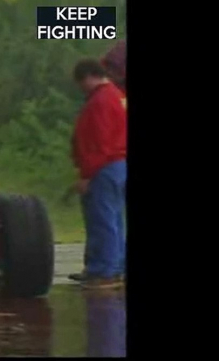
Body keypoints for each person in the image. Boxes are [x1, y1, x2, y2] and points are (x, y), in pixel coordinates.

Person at [69, 59, 127, 290]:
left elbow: (100, 141)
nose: (81, 87)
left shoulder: (101, 100)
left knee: (102, 219)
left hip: (104, 166)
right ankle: (112, 267)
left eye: (81, 82)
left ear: (89, 76)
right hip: (115, 164)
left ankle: (104, 271)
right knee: (113, 218)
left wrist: (87, 174)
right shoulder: (116, 96)